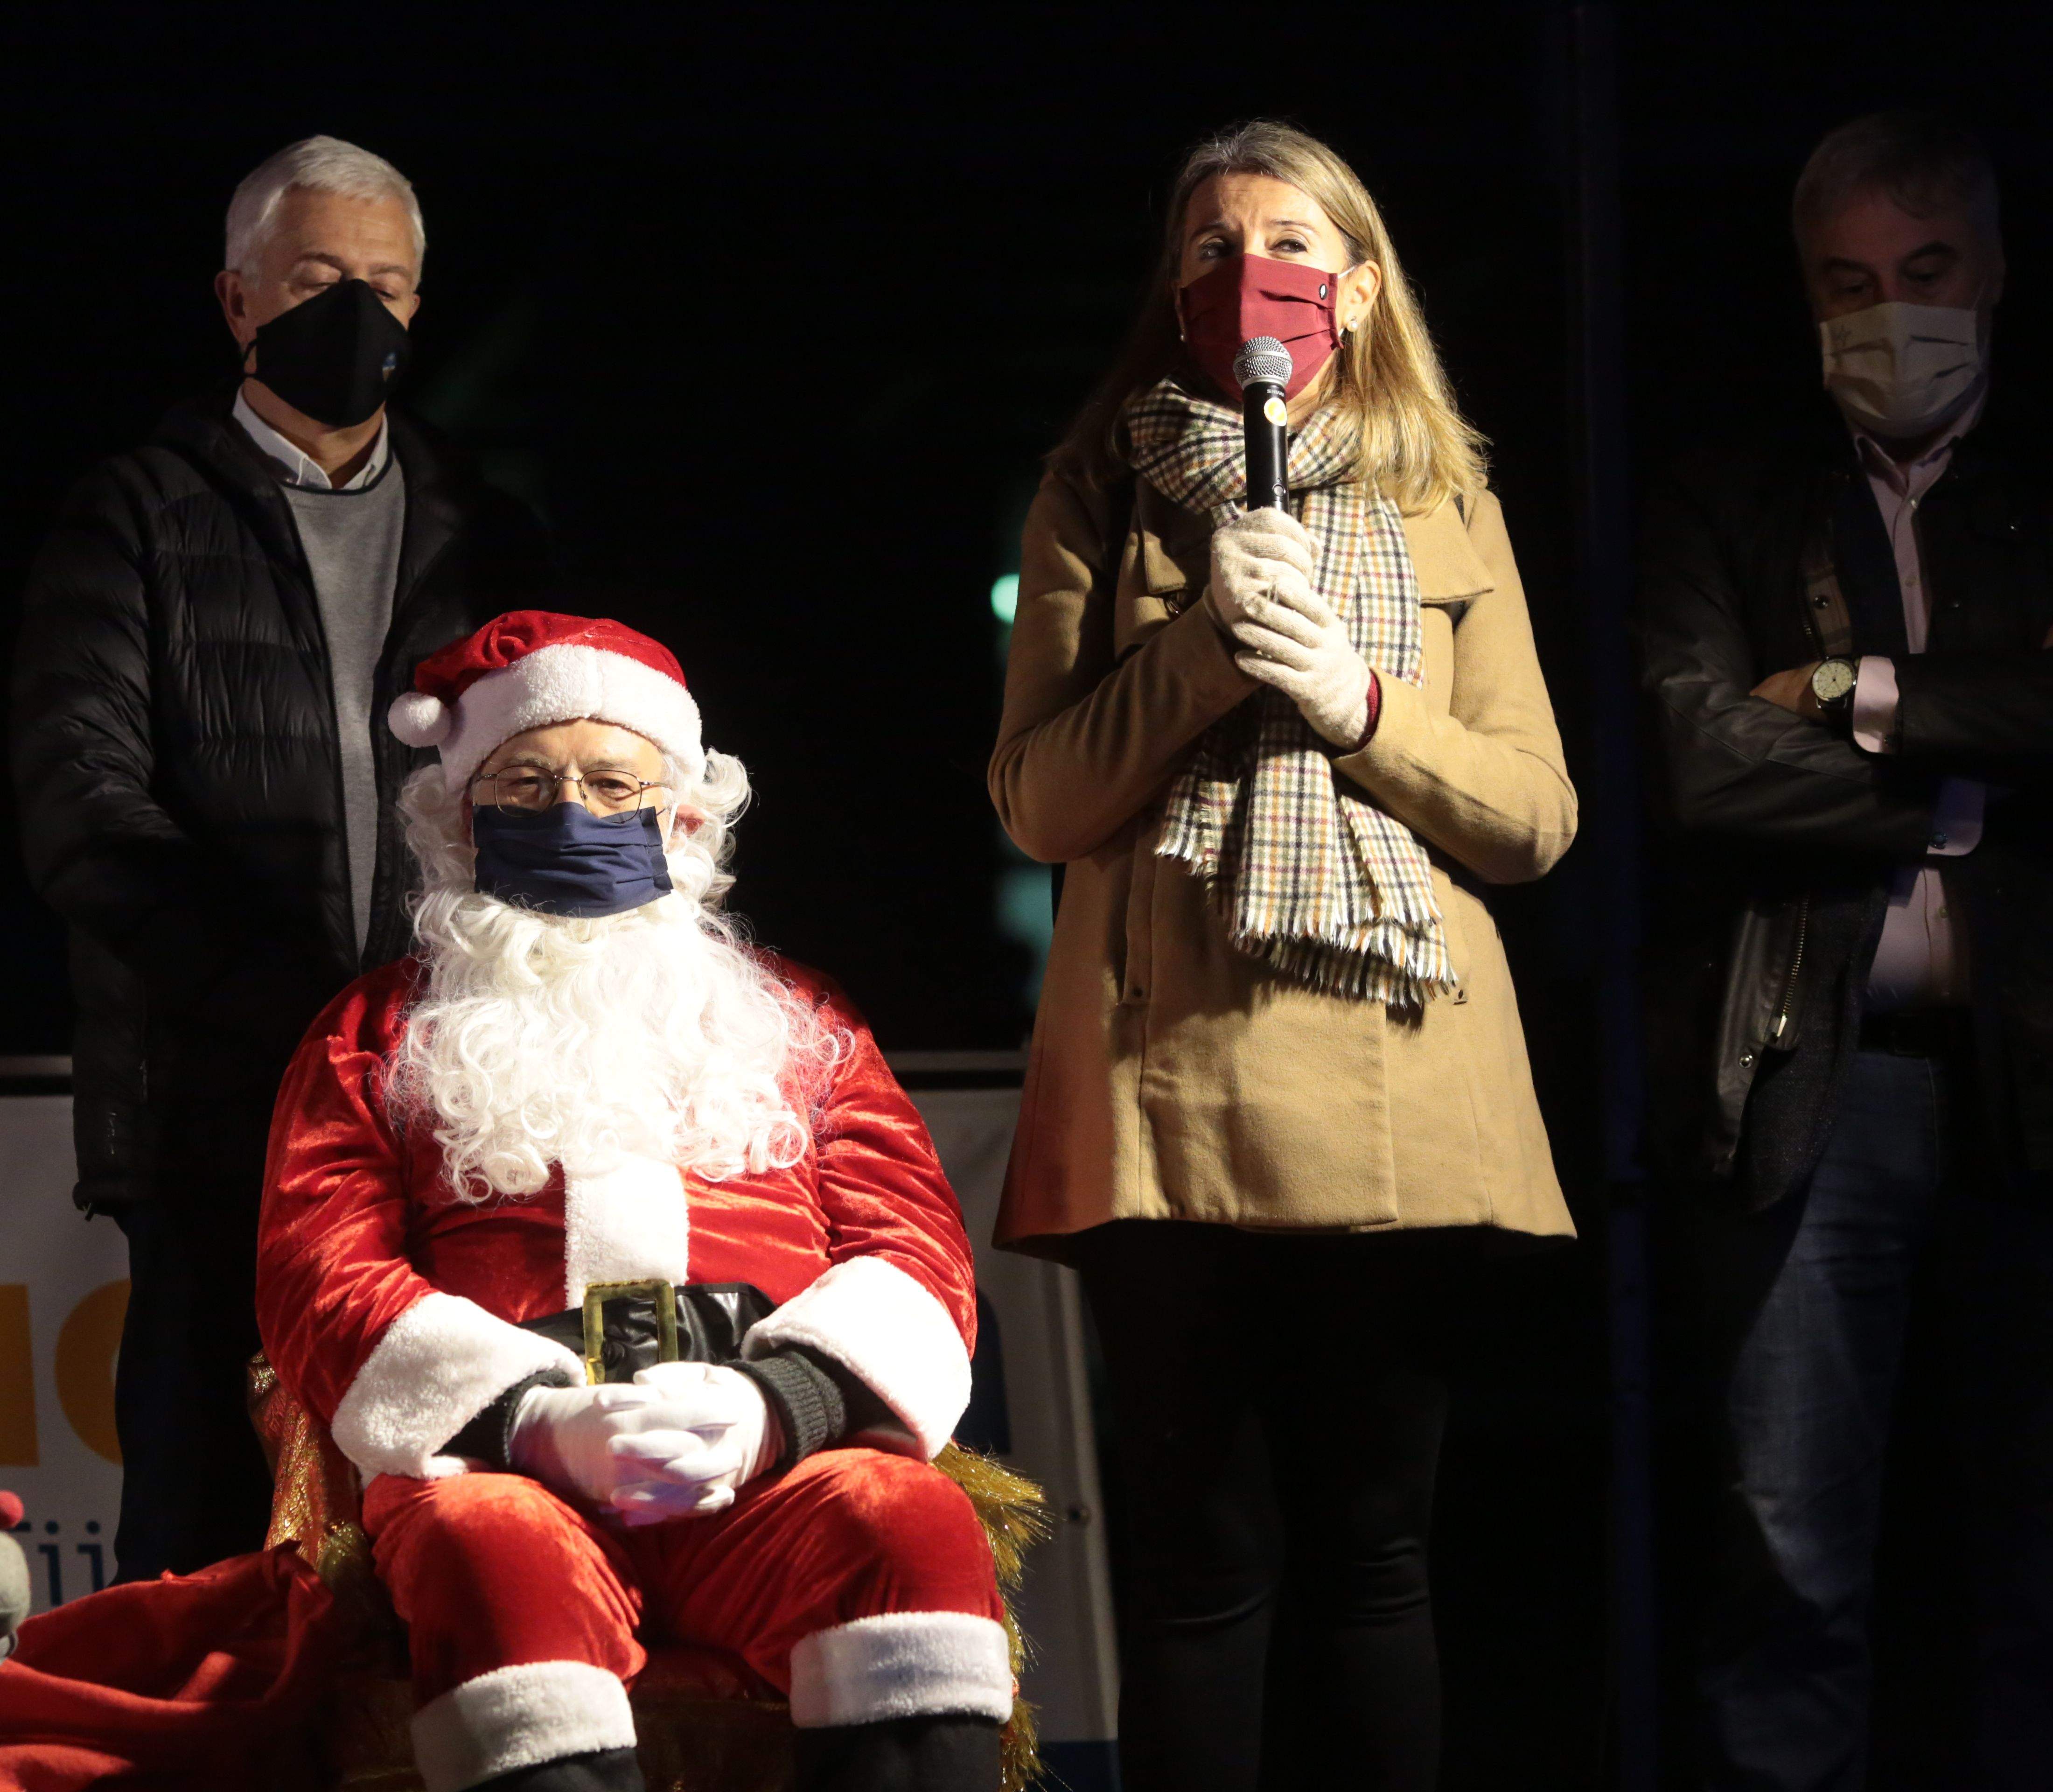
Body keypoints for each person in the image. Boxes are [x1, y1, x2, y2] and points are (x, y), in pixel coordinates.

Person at [987, 120, 1578, 1792]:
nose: (1250, 276)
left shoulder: (1445, 495)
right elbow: (1037, 798)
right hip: (1169, 1097)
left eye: (1294, 244)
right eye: (1209, 247)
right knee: (1197, 1576)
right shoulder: (1098, 478)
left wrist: (1357, 705)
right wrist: (1194, 657)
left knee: (1378, 1567)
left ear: (1364, 282)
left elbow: (1534, 818)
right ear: (1172, 289)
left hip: (1397, 1082)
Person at [253, 611, 1010, 1792]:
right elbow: (318, 1271)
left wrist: (780, 1407)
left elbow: (916, 1247)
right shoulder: (372, 1033)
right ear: (458, 820)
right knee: (483, 1548)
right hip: (498, 1463)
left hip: (768, 1456)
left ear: (687, 819)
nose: (573, 812)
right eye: (525, 782)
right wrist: (532, 1421)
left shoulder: (803, 1019)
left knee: (901, 1523)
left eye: (615, 783)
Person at [12, 134, 547, 1582]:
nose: (358, 314)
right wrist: (293, 1009)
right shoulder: (134, 512)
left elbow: (545, 798)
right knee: (204, 1509)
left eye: (388, 284)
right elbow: (82, 805)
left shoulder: (485, 529)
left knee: (439, 1503)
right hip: (211, 1107)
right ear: (238, 299)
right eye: (320, 279)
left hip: (450, 1102)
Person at [1636, 111, 2053, 1790]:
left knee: (2030, 1568)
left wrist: (1853, 696)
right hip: (1817, 1081)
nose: (1894, 314)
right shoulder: (1728, 492)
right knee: (1789, 1566)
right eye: (1851, 282)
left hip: (2032, 1082)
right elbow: (1691, 753)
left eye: (1927, 272)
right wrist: (1959, 794)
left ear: (1997, 272)